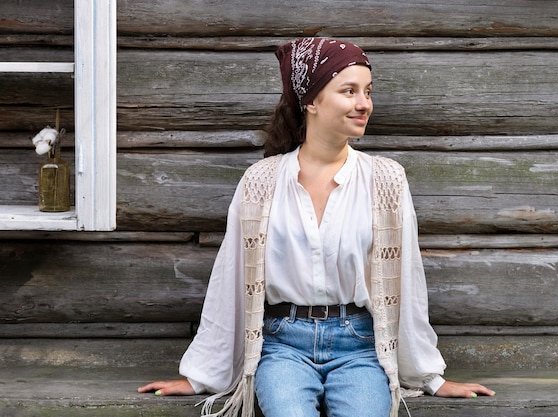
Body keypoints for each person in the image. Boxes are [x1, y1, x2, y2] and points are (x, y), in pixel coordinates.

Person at [138, 37, 494, 417]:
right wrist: (200, 376)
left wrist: (430, 377)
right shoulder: (261, 181)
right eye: (349, 91)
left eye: (368, 92)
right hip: (281, 345)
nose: (364, 104)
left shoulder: (387, 180)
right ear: (310, 101)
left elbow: (406, 281)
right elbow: (232, 277)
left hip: (359, 346)